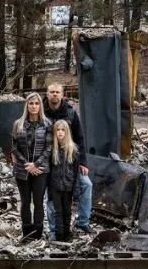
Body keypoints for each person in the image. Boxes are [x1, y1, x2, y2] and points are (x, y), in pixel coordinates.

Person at [44, 83, 93, 234]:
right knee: (51, 195)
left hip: (69, 161)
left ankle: (83, 222)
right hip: (48, 160)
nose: (54, 95)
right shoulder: (41, 111)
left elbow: (79, 138)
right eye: (52, 92)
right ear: (47, 94)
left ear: (62, 94)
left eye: (57, 92)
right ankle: (54, 230)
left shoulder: (70, 112)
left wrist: (83, 162)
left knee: (86, 184)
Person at [10, 93, 52, 240]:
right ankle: (27, 234)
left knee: (39, 202)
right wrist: (27, 164)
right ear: (26, 105)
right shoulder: (18, 124)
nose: (34, 106)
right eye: (31, 103)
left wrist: (36, 164)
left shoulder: (47, 124)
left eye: (36, 103)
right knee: (25, 202)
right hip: (23, 169)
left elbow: (49, 148)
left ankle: (38, 234)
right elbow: (14, 147)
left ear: (40, 105)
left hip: (41, 169)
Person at [47, 120, 80, 242]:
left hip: (68, 186)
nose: (60, 132)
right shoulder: (52, 150)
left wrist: (76, 190)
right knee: (58, 212)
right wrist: (49, 189)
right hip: (55, 186)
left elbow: (76, 173)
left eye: (63, 130)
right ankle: (59, 236)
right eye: (58, 130)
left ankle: (67, 234)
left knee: (67, 211)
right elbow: (49, 171)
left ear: (67, 132)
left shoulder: (74, 150)